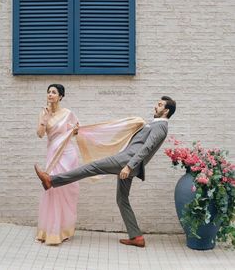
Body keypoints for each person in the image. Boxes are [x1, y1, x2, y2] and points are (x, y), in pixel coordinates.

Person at [35, 96, 176, 247]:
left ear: (166, 110)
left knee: (93, 167)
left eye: (160, 105)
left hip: (127, 161)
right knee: (122, 200)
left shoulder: (161, 127)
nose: (156, 106)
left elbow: (146, 148)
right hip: (128, 162)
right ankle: (137, 237)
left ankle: (52, 180)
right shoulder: (154, 124)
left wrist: (129, 166)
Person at [36, 84, 80, 245]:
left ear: (60, 96)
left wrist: (73, 131)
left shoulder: (68, 113)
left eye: (54, 92)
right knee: (51, 189)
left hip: (68, 155)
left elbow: (76, 131)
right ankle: (49, 231)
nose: (50, 94)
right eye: (48, 92)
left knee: (66, 190)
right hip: (52, 154)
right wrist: (45, 119)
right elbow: (40, 134)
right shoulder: (43, 113)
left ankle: (63, 230)